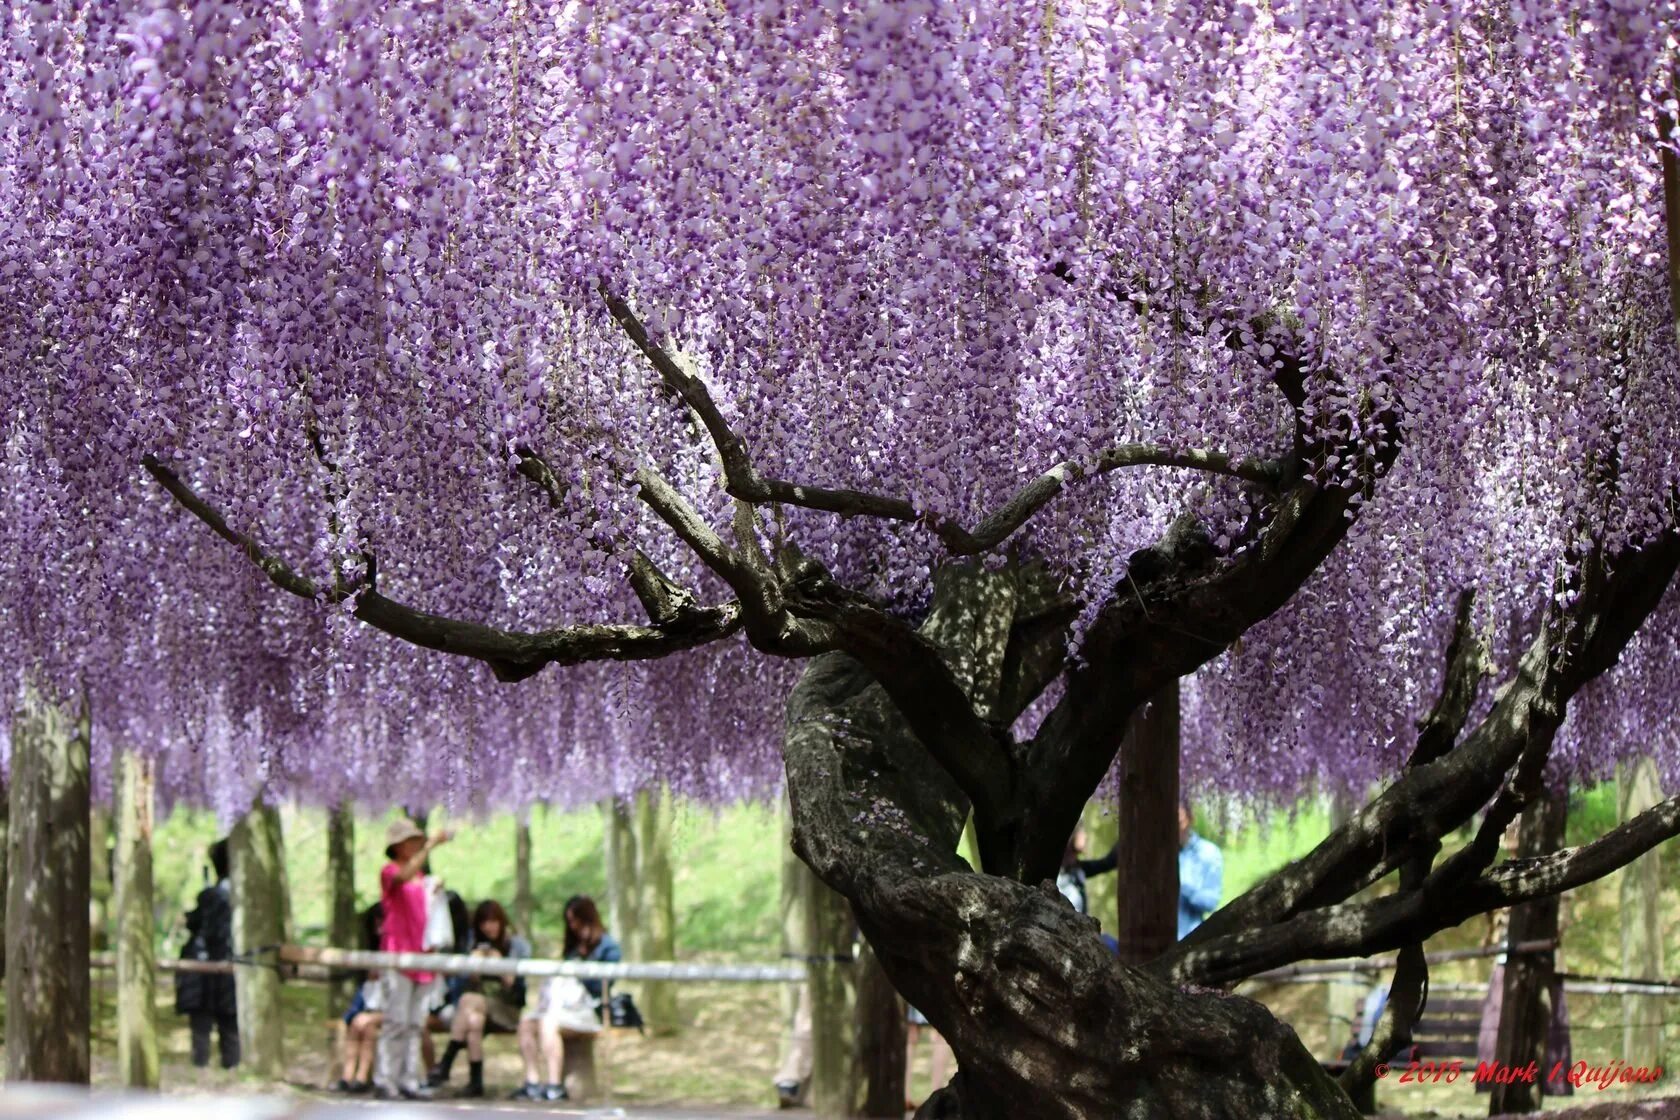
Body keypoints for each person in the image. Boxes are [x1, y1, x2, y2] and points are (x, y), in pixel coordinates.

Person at [509, 895, 621, 1102]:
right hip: (562, 1006)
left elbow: (604, 985)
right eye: (570, 922)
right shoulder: (573, 947)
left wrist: (582, 967)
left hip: (589, 1009)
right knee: (526, 1024)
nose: (574, 926)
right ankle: (532, 1082)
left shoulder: (608, 947)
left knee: (548, 1024)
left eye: (577, 921)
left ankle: (554, 1085)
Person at [374, 817, 453, 1101]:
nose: (416, 846)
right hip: (398, 954)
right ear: (398, 846)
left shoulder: (421, 879)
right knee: (396, 1019)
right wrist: (432, 844)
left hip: (422, 956)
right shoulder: (390, 872)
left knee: (415, 1023)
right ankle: (386, 1078)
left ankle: (408, 1079)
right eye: (411, 842)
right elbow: (401, 878)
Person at [1079, 798, 1223, 939]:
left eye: (1179, 822)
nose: (1173, 828)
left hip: (1188, 939)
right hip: (1150, 943)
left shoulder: (1208, 853)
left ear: (1190, 819)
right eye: (1168, 823)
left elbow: (1210, 901)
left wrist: (1178, 882)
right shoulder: (1153, 850)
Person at [430, 899, 532, 1097]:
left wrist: (499, 963)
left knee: (470, 1001)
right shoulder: (472, 943)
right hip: (475, 1009)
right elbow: (461, 986)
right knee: (474, 1020)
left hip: (506, 1008)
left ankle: (446, 1064)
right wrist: (473, 965)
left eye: (493, 921)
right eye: (484, 922)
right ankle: (475, 1083)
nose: (489, 927)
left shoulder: (517, 945)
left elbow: (516, 987)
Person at [175, 838, 239, 1070]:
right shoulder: (220, 895)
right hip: (213, 970)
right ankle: (213, 1065)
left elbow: (201, 925)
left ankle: (216, 1065)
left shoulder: (215, 895)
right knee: (219, 1023)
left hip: (212, 971)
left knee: (220, 1024)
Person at [333, 902, 386, 1094]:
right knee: (357, 1023)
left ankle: (362, 1076)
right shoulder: (370, 953)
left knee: (366, 1025)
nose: (380, 927)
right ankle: (348, 1076)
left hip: (390, 1010)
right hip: (371, 1006)